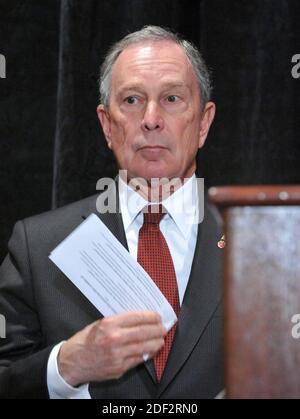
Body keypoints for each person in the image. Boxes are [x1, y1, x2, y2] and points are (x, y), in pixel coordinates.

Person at [0, 26, 223, 399]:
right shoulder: (39, 245)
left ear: (203, 123)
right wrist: (65, 366)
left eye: (171, 98)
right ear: (106, 124)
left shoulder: (261, 244)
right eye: (132, 100)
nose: (151, 118)